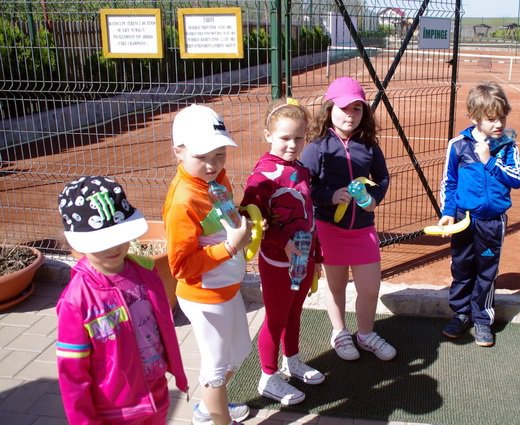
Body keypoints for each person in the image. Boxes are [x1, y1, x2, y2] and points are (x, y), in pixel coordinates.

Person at [56, 175, 189, 424]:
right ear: (75, 245)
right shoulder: (76, 301)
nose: (113, 247)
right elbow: (72, 374)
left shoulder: (145, 274)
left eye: (119, 235)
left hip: (156, 392)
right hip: (113, 410)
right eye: (100, 241)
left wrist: (178, 375)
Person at [163, 104, 254, 425]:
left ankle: (209, 407)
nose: (213, 165)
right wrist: (231, 246)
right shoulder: (183, 201)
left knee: (240, 352)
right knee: (215, 369)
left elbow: (223, 218)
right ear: (178, 151)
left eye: (219, 155)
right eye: (202, 157)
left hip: (227, 288)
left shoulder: (219, 180)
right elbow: (181, 267)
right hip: (204, 296)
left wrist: (242, 221)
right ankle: (216, 416)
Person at [300, 77, 396, 362]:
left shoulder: (368, 145)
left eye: (357, 109)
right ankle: (340, 332)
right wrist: (330, 195)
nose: (350, 115)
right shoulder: (317, 147)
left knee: (369, 287)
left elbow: (382, 177)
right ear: (329, 108)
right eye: (344, 108)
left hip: (363, 229)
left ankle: (365, 334)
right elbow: (305, 186)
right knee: (336, 285)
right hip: (330, 229)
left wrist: (373, 199)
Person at [241, 98, 325, 405]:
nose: (292, 145)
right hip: (277, 261)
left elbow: (309, 215)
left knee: (294, 312)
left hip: (302, 256)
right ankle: (268, 375)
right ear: (268, 135)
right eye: (284, 138)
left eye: (299, 138)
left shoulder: (301, 170)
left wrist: (316, 256)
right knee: (275, 318)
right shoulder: (262, 176)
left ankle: (292, 359)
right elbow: (252, 219)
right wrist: (283, 242)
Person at [438, 81, 520, 347]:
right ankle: (461, 314)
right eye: (491, 119)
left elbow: (518, 178)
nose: (498, 124)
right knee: (462, 268)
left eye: (502, 118)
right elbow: (449, 182)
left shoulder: (507, 147)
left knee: (486, 270)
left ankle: (483, 320)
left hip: (492, 223)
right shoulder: (458, 145)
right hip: (464, 220)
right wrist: (448, 212)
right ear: (475, 118)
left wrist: (490, 161)